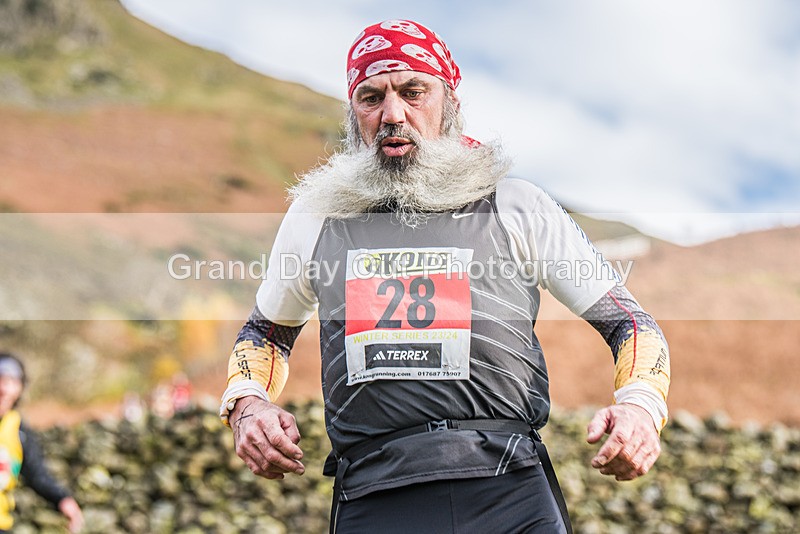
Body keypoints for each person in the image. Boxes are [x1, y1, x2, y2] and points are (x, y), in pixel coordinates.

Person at [220, 19, 670, 533]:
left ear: (449, 102)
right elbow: (265, 333)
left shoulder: (514, 204)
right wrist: (247, 406)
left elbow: (630, 324)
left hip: (508, 489)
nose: (393, 114)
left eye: (414, 91)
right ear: (353, 116)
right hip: (374, 492)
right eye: (371, 97)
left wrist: (640, 409)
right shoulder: (315, 218)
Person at [0, 352, 83, 533]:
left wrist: (63, 500)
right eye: (0, 379)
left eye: (11, 382)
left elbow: (38, 475)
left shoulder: (19, 430)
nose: (4, 389)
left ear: (20, 389)